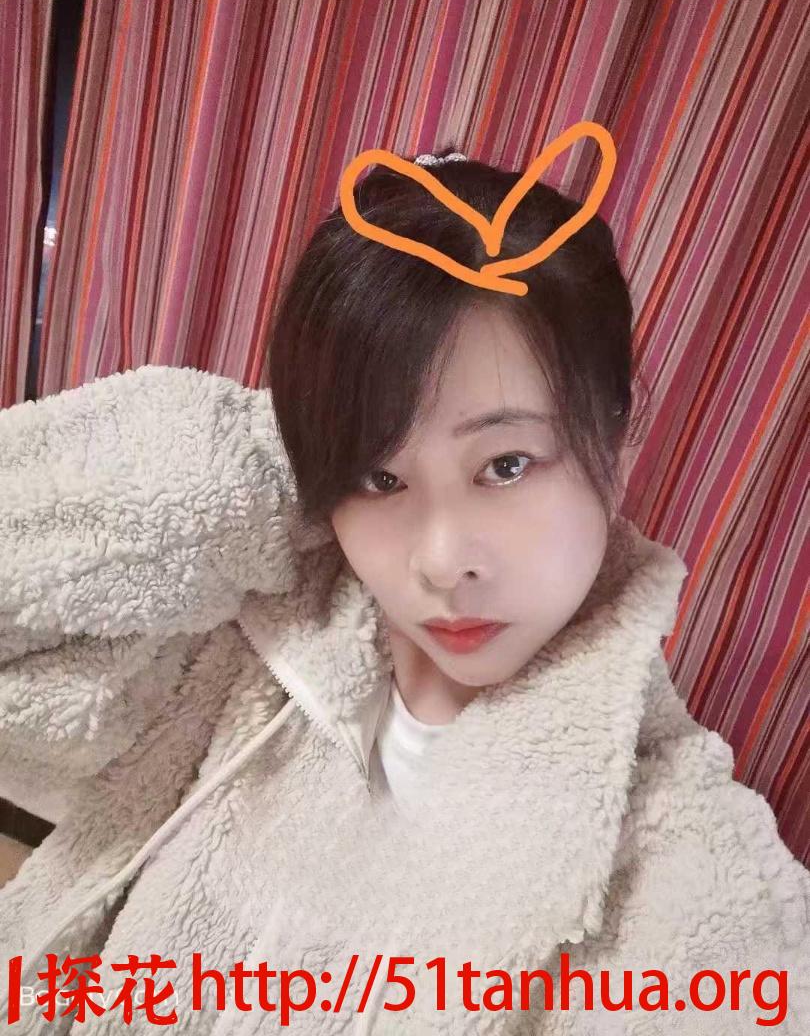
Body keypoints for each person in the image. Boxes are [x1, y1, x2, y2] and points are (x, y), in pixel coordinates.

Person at [0, 150, 808, 1034]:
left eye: (506, 464)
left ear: (613, 440)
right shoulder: (230, 653)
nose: (441, 562)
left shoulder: (670, 846)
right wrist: (274, 457)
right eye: (380, 479)